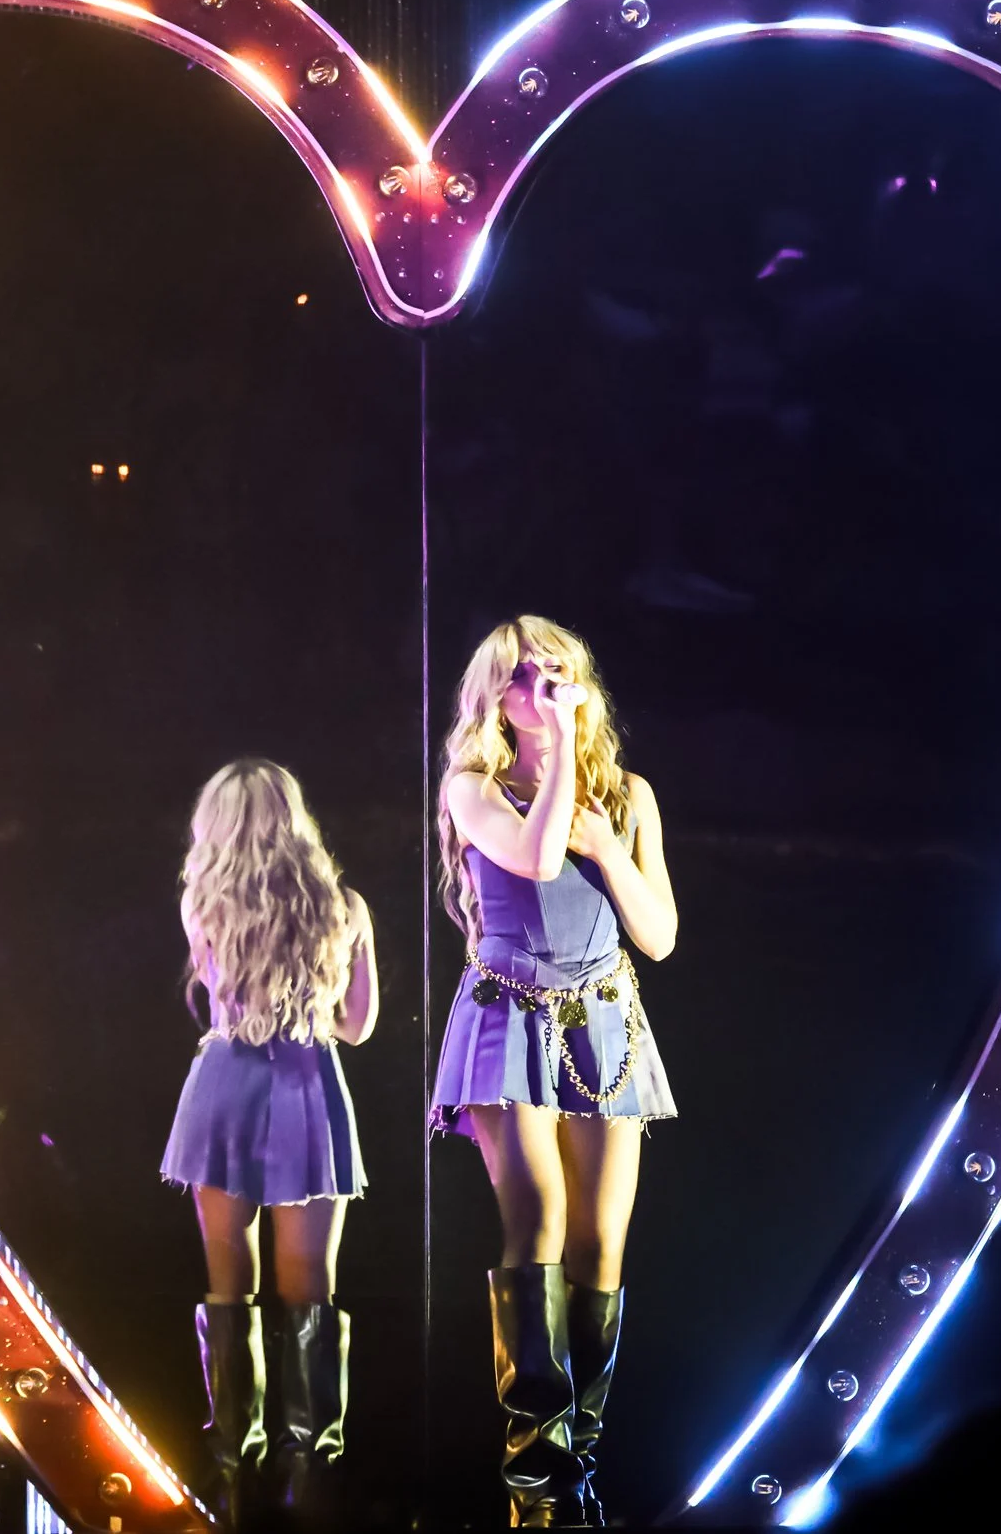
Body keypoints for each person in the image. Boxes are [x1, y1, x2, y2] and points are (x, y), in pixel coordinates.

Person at [429, 616, 679, 1528]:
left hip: (609, 1019)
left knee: (602, 1248)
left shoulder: (631, 795)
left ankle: (579, 1476)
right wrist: (565, 749)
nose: (546, 684)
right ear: (496, 695)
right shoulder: (473, 786)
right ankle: (534, 1486)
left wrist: (610, 845)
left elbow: (658, 935)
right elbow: (534, 858)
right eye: (525, 675)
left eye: (560, 670)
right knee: (538, 1219)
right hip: (508, 1016)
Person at [161, 759, 378, 1529]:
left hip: (224, 1083)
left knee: (231, 1284)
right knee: (308, 1284)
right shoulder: (344, 907)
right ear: (295, 819)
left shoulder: (204, 901)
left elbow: (220, 998)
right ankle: (309, 1467)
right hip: (304, 1084)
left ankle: (230, 1468)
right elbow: (357, 1026)